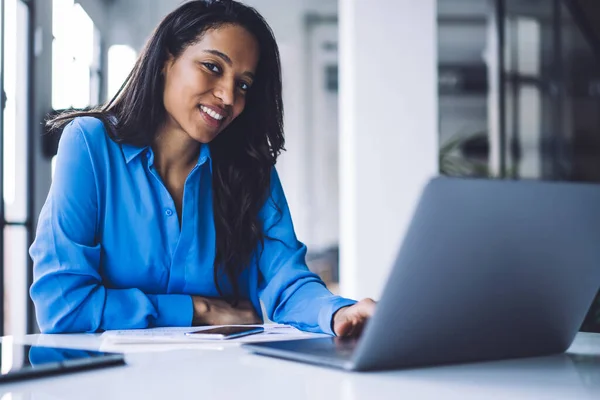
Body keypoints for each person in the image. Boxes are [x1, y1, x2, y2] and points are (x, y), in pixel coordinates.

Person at [30, 0, 375, 336]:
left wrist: (339, 312)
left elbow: (286, 281)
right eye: (212, 66)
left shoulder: (251, 169)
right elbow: (62, 306)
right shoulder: (90, 145)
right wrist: (197, 309)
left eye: (243, 84)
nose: (228, 96)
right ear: (167, 59)